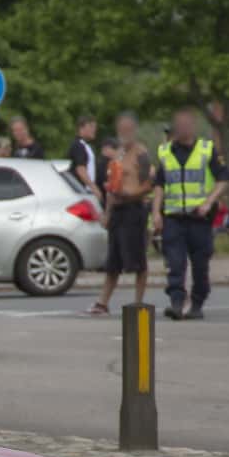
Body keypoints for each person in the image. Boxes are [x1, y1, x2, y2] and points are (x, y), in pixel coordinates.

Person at [152, 106, 229, 320]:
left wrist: (208, 202)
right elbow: (159, 184)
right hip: (174, 217)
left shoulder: (207, 149)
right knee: (175, 263)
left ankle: (197, 304)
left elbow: (223, 179)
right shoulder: (165, 152)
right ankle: (177, 303)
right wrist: (156, 213)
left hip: (200, 218)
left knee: (200, 265)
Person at [86, 113, 153, 316]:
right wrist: (106, 213)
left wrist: (130, 193)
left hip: (134, 210)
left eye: (128, 129)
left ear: (134, 130)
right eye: (121, 129)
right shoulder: (118, 154)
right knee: (113, 261)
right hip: (117, 211)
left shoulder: (141, 154)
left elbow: (149, 184)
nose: (124, 133)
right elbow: (110, 187)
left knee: (137, 261)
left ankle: (138, 302)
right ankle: (102, 302)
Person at [67, 116, 100, 204]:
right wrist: (94, 188)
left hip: (87, 191)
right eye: (91, 126)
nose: (94, 130)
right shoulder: (78, 145)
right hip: (82, 191)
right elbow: (81, 169)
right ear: (82, 127)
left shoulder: (86, 146)